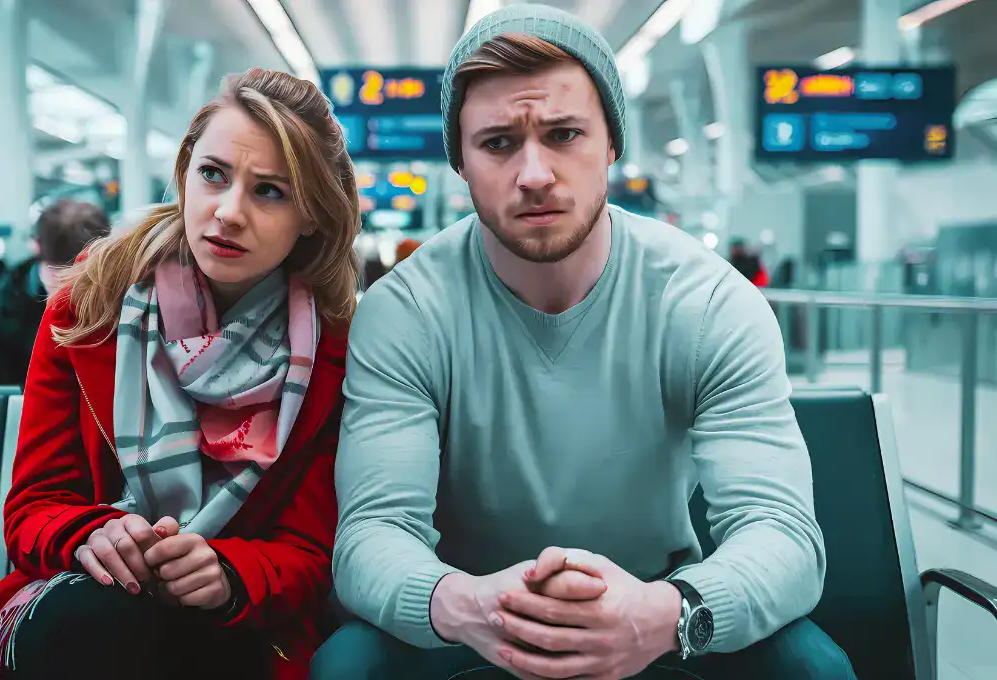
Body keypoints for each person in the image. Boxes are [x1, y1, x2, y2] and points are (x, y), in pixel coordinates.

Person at [314, 5, 853, 680]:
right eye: (499, 143)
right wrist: (473, 605)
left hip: (657, 613)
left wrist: (667, 614)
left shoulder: (708, 303)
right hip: (466, 620)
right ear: (460, 161)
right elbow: (372, 536)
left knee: (812, 667)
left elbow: (783, 537)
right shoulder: (406, 311)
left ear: (611, 146)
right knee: (346, 663)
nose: (534, 173)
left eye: (565, 134)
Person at [0, 67, 361, 680]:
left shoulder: (339, 348)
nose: (228, 212)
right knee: (101, 618)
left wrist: (226, 573)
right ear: (186, 173)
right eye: (214, 175)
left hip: (236, 629)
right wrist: (95, 534)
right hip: (83, 606)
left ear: (312, 216)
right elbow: (34, 507)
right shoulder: (90, 307)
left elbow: (309, 553)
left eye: (270, 191)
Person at [0, 200, 111, 387]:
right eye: (60, 276)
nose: (68, 293)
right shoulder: (4, 307)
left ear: (36, 244)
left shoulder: (7, 300)